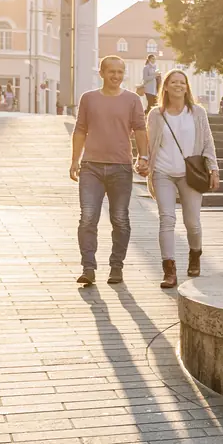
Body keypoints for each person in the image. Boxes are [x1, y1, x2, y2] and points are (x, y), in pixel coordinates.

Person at [70, 56, 149, 286]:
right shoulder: (89, 98)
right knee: (88, 218)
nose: (116, 76)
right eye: (111, 71)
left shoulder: (132, 100)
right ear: (102, 73)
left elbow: (140, 129)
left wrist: (143, 156)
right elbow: (80, 129)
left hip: (121, 167)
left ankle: (116, 266)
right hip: (91, 166)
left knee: (120, 219)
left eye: (120, 72)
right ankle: (88, 268)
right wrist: (74, 160)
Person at [147, 70, 220, 289]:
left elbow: (207, 142)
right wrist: (144, 162)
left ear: (187, 87)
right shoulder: (155, 114)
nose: (178, 85)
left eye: (182, 82)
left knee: (192, 223)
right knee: (166, 219)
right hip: (163, 172)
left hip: (191, 173)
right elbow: (149, 143)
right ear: (166, 87)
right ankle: (169, 270)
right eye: (174, 82)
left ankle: (195, 254)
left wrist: (213, 168)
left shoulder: (197, 112)